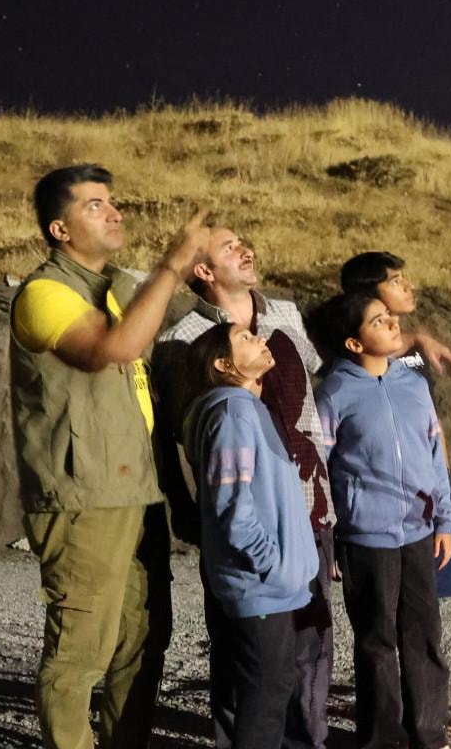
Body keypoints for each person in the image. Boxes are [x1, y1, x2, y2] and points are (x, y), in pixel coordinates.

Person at [151, 226, 451, 749]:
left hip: (309, 510)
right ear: (203, 271)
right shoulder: (181, 342)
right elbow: (176, 435)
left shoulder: (285, 315)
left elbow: (352, 347)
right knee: (247, 655)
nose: (245, 249)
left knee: (311, 647)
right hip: (248, 520)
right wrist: (189, 512)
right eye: (229, 247)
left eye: (243, 241)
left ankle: (308, 741)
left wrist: (414, 340)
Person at [9, 163, 209, 749]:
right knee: (80, 652)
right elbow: (110, 349)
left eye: (113, 201)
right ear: (59, 229)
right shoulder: (44, 294)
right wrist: (172, 265)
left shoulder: (118, 289)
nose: (114, 212)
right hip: (83, 497)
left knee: (142, 641)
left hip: (137, 490)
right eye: (94, 205)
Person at [313, 292, 451, 749]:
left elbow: (434, 455)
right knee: (376, 642)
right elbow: (320, 469)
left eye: (389, 315)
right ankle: (382, 740)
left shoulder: (414, 384)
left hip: (419, 530)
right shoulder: (333, 394)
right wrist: (330, 537)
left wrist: (445, 519)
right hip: (365, 537)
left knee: (424, 635)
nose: (393, 323)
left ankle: (428, 735)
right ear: (354, 343)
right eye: (378, 320)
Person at [182, 321, 321, 749]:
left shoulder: (246, 408)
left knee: (271, 690)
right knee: (266, 697)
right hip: (260, 585)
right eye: (245, 338)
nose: (260, 339)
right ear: (223, 365)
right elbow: (233, 506)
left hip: (269, 585)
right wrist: (273, 566)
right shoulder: (232, 412)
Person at [339, 251, 451, 599]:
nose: (409, 286)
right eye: (395, 281)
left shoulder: (409, 348)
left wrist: (444, 483)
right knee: (397, 600)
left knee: (432, 598)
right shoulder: (354, 363)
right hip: (388, 498)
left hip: (434, 484)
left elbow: (430, 426)